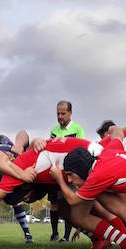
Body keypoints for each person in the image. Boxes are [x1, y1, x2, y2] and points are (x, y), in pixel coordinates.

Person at [49, 100, 85, 241]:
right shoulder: (54, 131)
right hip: (56, 173)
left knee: (69, 203)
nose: (60, 116)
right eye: (58, 113)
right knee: (54, 204)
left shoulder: (78, 129)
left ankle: (65, 236)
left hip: (70, 173)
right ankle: (54, 233)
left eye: (63, 113)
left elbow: (80, 149)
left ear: (70, 113)